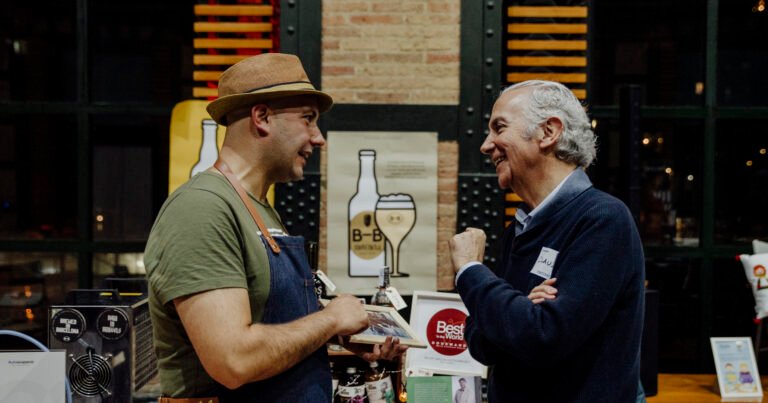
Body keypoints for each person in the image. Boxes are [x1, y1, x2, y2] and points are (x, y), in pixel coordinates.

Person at [145, 53, 406, 403]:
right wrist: (329, 320)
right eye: (308, 119)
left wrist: (341, 338)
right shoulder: (201, 209)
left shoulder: (260, 209)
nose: (318, 138)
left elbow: (271, 329)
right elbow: (233, 360)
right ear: (262, 117)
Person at [449, 80, 645, 402]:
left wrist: (471, 270)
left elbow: (542, 338)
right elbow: (482, 344)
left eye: (499, 127)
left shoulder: (603, 219)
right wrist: (521, 309)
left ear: (548, 132)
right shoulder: (519, 229)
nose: (486, 145)